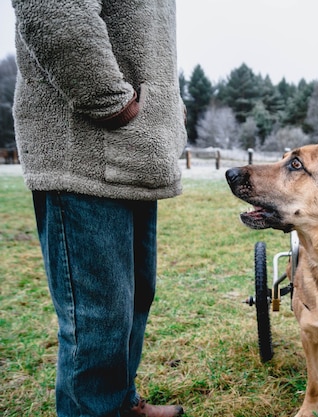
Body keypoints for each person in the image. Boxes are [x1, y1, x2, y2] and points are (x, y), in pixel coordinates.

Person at [12, 1, 187, 416]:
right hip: (85, 151)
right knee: (98, 319)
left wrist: (163, 116)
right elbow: (53, 10)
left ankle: (119, 403)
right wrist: (112, 101)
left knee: (132, 300)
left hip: (136, 151)